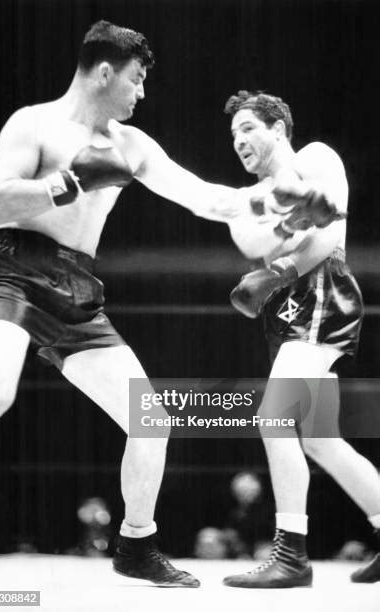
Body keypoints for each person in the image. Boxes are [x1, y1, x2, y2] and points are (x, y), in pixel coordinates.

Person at [0, 22, 327, 588]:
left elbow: (206, 198)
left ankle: (136, 544)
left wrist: (276, 195)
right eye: (136, 80)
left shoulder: (131, 145)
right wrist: (65, 184)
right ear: (105, 71)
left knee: (151, 421)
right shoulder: (32, 123)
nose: (141, 94)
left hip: (77, 288)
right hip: (16, 269)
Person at [222, 90, 380, 588]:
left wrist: (277, 270)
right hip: (292, 308)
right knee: (319, 440)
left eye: (247, 128)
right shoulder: (260, 197)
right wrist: (270, 255)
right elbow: (249, 241)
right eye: (232, 135)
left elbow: (331, 232)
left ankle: (291, 554)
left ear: (278, 129)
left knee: (273, 417)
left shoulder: (315, 157)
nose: (238, 141)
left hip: (321, 294)